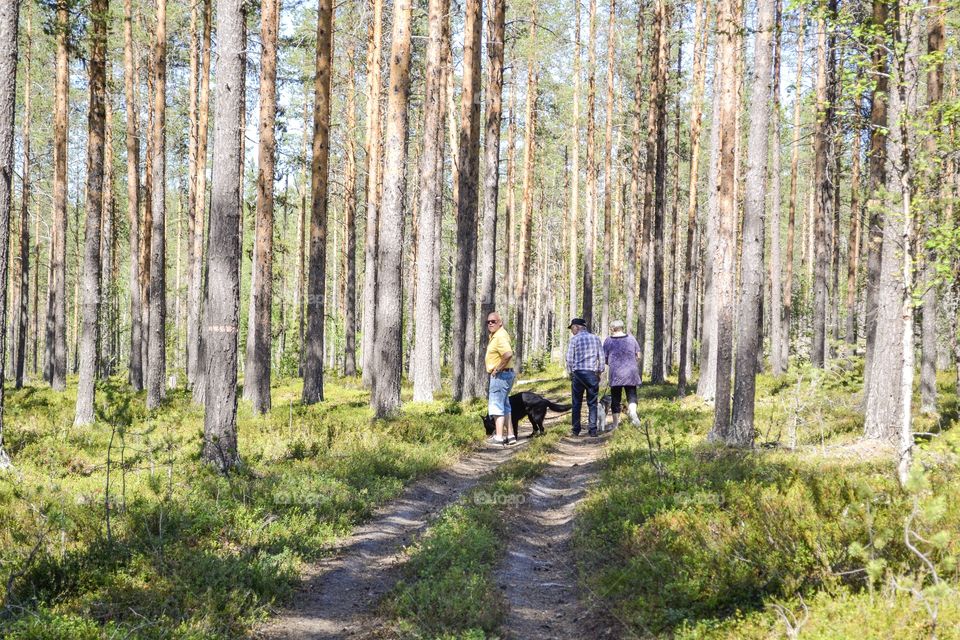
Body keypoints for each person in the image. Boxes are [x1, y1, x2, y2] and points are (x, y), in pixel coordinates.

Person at [565, 318, 604, 437]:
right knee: (592, 403)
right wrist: (599, 372)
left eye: (572, 328)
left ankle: (576, 430)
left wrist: (571, 372)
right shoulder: (596, 338)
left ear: (577, 327)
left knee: (576, 403)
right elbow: (601, 357)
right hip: (591, 374)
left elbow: (569, 359)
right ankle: (592, 429)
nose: (572, 331)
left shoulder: (574, 340)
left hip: (578, 374)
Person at [602, 320, 642, 429]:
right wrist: (632, 363)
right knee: (632, 394)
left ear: (613, 329)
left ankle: (615, 425)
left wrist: (611, 363)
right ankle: (633, 413)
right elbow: (638, 355)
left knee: (615, 398)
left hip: (616, 373)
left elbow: (604, 358)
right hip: (631, 372)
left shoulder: (608, 341)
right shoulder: (631, 338)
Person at [485, 312, 516, 444]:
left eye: (493, 321)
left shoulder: (500, 336)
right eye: (488, 322)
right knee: (505, 405)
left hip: (500, 375)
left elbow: (508, 354)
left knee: (496, 405)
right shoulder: (497, 335)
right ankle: (510, 435)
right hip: (505, 374)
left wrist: (497, 369)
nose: (491, 323)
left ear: (500, 322)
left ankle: (498, 437)